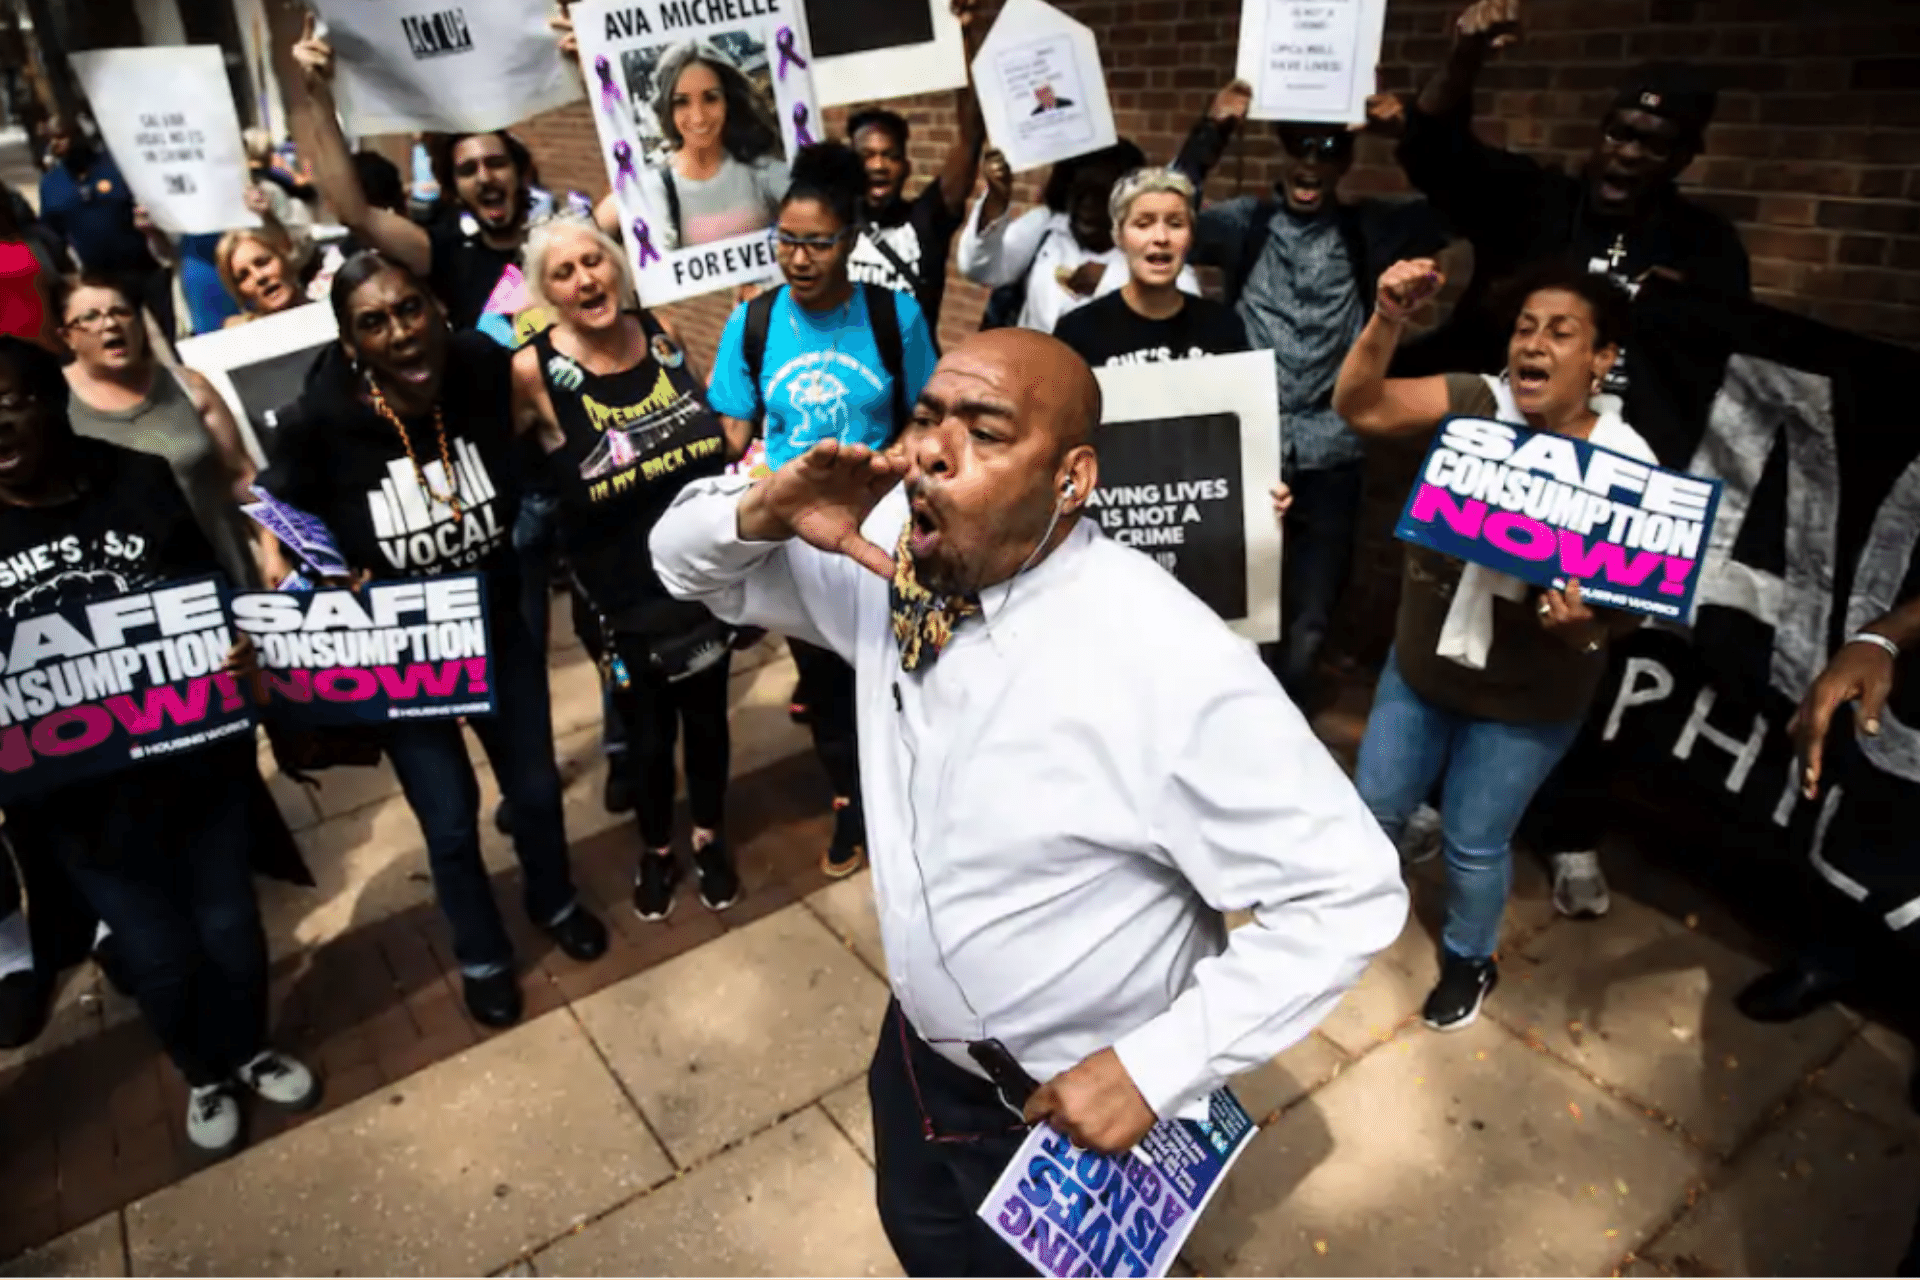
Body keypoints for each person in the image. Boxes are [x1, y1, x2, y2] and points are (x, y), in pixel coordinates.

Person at [650, 326, 1407, 1275]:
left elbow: (1350, 894)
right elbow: (683, 561)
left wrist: (1153, 1069)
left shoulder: (1164, 662)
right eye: (927, 417)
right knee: (925, 1244)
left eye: (985, 430)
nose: (932, 447)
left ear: (1071, 480)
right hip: (921, 1061)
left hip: (1072, 1122)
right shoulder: (885, 556)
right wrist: (766, 504)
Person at [256, 252, 610, 1027]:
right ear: (351, 343)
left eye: (410, 309)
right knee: (448, 821)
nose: (401, 334)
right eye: (374, 323)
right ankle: (482, 954)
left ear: (437, 310)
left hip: (495, 629)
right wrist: (316, 582)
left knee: (538, 793)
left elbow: (548, 334)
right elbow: (274, 514)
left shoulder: (480, 365)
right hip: (403, 659)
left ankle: (554, 904)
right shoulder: (323, 418)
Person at [0, 335, 318, 1155]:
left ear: (51, 404)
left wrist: (234, 648)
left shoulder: (135, 478)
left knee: (232, 935)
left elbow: (203, 589)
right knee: (161, 958)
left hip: (195, 772)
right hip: (80, 806)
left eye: (11, 400)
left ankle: (248, 1048)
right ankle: (203, 1072)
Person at [1333, 257, 1655, 1030]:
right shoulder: (1479, 402)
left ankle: (1472, 961)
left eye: (1560, 332)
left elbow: (1633, 608)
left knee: (1475, 845)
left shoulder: (1630, 465)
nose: (1533, 344)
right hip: (1421, 669)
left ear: (1603, 359)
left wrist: (1592, 627)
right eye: (1524, 328)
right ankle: (1342, 921)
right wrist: (1387, 316)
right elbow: (1360, 404)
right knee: (1373, 808)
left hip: (1528, 698)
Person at [706, 143, 939, 880]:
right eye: (787, 241)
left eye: (817, 243)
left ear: (850, 242)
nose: (800, 259)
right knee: (827, 685)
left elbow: (926, 415)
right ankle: (851, 803)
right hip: (799, 545)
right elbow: (734, 435)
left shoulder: (891, 315)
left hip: (882, 534)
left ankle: (916, 802)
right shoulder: (752, 324)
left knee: (901, 671)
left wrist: (888, 464)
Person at [1174, 80, 1447, 708]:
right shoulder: (1246, 223)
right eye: (1300, 146)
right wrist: (1210, 132)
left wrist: (1407, 133)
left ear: (1345, 161)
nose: (1312, 162)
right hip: (1250, 444)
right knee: (1237, 606)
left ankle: (1287, 724)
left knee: (1310, 619)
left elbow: (1460, 211)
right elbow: (1162, 213)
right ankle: (1234, 721)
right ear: (1283, 150)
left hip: (1332, 453)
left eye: (1328, 149)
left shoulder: (1368, 230)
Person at [510, 215, 751, 919]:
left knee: (707, 720)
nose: (587, 278)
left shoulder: (662, 329)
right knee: (645, 735)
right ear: (546, 292)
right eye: (566, 271)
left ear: (617, 265)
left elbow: (715, 432)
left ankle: (707, 837)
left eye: (596, 260)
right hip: (617, 599)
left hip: (703, 581)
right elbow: (502, 472)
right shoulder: (529, 374)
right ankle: (657, 850)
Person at [1396, 0, 1750, 386]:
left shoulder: (1707, 245)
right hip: (1498, 419)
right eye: (1619, 134)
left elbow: (1726, 362)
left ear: (1683, 158)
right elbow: (1430, 150)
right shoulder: (1532, 200)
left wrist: (1682, 311)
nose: (1628, 154)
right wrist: (1464, 58)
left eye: (1655, 145)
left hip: (1623, 435)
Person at [292, 17, 592, 340]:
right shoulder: (445, 253)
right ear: (454, 189)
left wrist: (595, 65)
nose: (484, 177)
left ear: (522, 174)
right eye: (467, 170)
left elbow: (629, 187)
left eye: (496, 163)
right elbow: (356, 215)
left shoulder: (566, 238)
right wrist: (319, 98)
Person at [55, 274, 259, 589]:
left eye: (120, 312)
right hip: (134, 594)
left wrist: (276, 550)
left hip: (228, 576)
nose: (110, 324)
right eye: (91, 317)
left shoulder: (188, 385)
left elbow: (243, 477)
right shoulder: (54, 408)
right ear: (67, 336)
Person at [843, 0, 986, 333]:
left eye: (890, 156)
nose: (878, 165)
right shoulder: (835, 224)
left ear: (906, 167)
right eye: (867, 156)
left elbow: (971, 138)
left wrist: (963, 39)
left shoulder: (925, 220)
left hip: (914, 379)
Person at [958, 140, 1200, 334]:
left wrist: (1110, 282)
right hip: (1033, 380)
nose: (1087, 207)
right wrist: (995, 203)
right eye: (1080, 193)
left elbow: (1186, 302)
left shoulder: (1146, 244)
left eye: (1101, 196)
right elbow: (978, 269)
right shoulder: (1046, 225)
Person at [1053, 166, 1247, 368]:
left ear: (1191, 237)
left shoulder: (1224, 328)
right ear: (1119, 236)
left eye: (1175, 224)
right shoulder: (1077, 332)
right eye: (1143, 224)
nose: (1161, 238)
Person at [637, 40, 789, 251]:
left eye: (710, 98)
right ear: (668, 109)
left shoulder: (761, 171)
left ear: (728, 101)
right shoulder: (657, 186)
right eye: (682, 102)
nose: (698, 118)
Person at [35, 118, 156, 294]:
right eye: (49, 139)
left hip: (146, 268)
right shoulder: (50, 184)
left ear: (80, 135)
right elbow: (52, 233)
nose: (55, 143)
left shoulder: (116, 165)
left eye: (61, 136)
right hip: (99, 278)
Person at [214, 201, 317, 325]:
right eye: (244, 276)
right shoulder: (240, 337)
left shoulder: (333, 302)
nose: (259, 277)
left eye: (263, 263)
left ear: (283, 255)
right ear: (239, 293)